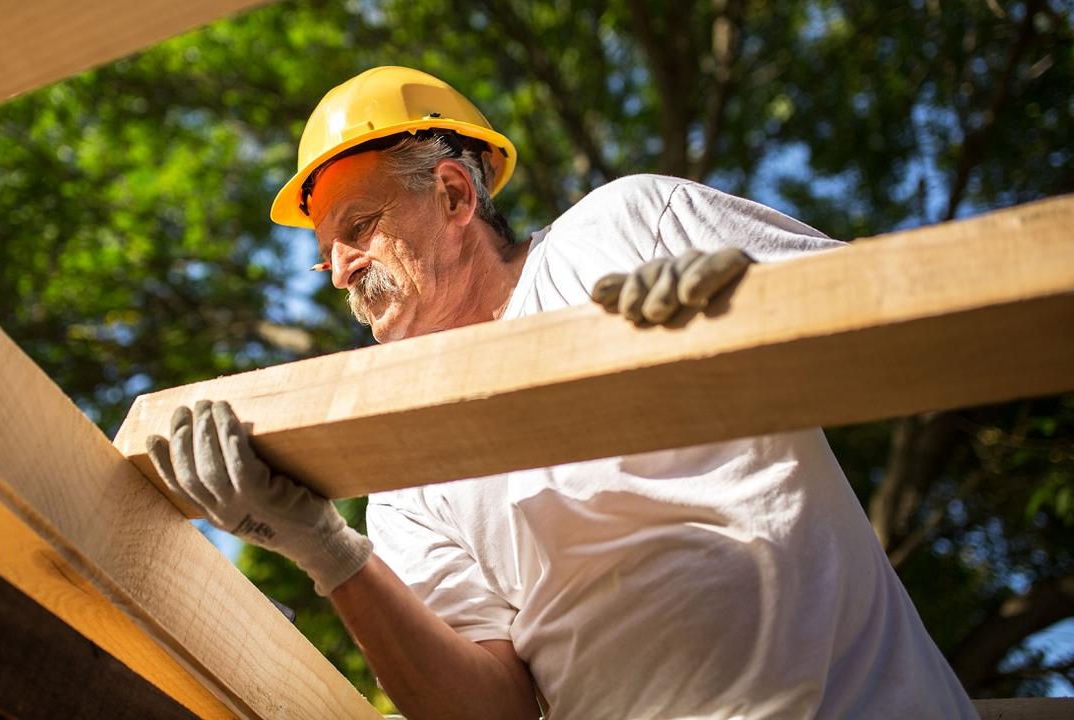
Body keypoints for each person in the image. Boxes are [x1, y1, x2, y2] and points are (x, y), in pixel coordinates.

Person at [147, 66, 976, 719]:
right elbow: (493, 710)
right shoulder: (400, 470)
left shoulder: (623, 231)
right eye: (326, 253)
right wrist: (328, 554)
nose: (339, 271)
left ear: (454, 194)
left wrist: (758, 303)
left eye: (358, 228)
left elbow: (922, 315)